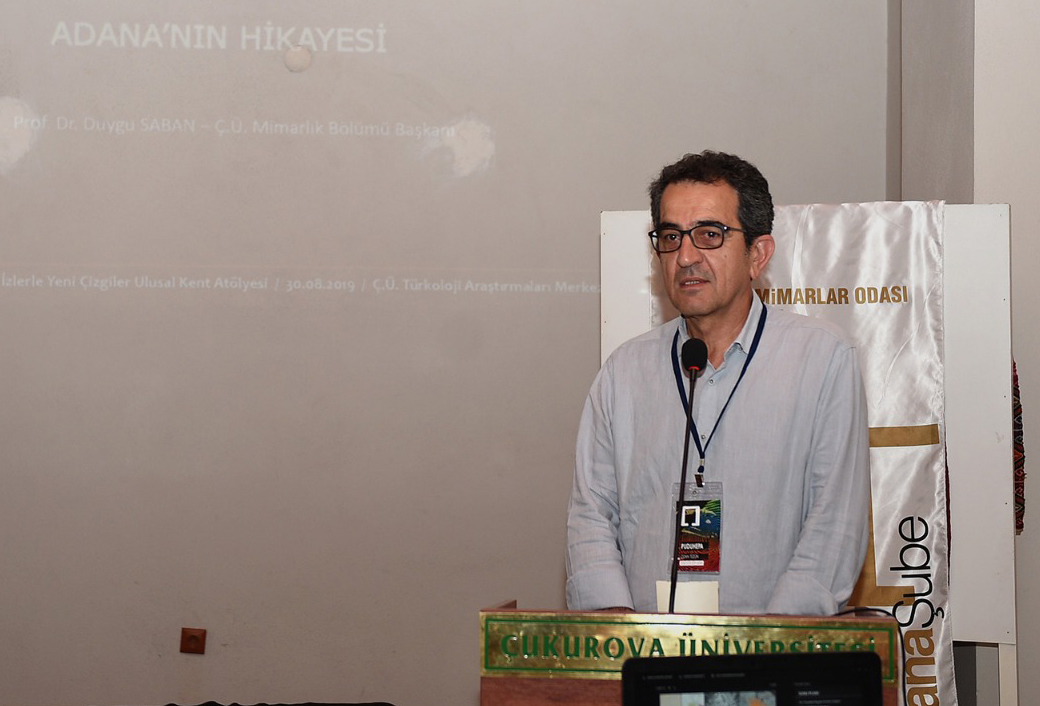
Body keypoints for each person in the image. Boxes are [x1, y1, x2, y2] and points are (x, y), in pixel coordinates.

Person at [565, 150, 870, 615]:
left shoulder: (822, 359)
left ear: (757, 254)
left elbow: (835, 525)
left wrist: (772, 642)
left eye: (709, 234)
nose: (686, 257)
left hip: (773, 651)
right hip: (645, 649)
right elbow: (591, 516)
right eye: (671, 237)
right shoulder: (623, 372)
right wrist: (616, 633)